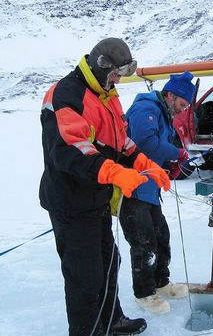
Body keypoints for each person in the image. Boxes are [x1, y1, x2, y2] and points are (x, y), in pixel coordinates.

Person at [39, 37, 170, 336]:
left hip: (95, 199)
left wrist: (144, 163)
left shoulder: (106, 94)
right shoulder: (67, 94)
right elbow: (71, 149)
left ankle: (112, 320)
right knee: (85, 277)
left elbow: (120, 139)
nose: (117, 81)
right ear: (101, 66)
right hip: (70, 202)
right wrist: (113, 172)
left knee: (109, 263)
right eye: (114, 75)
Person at [119, 71, 196, 314]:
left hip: (150, 188)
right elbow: (145, 142)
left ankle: (161, 283)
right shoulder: (146, 109)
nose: (183, 110)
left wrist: (168, 165)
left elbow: (156, 151)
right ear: (170, 95)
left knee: (161, 236)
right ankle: (144, 294)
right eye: (182, 104)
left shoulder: (164, 114)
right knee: (144, 243)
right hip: (133, 189)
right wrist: (177, 154)